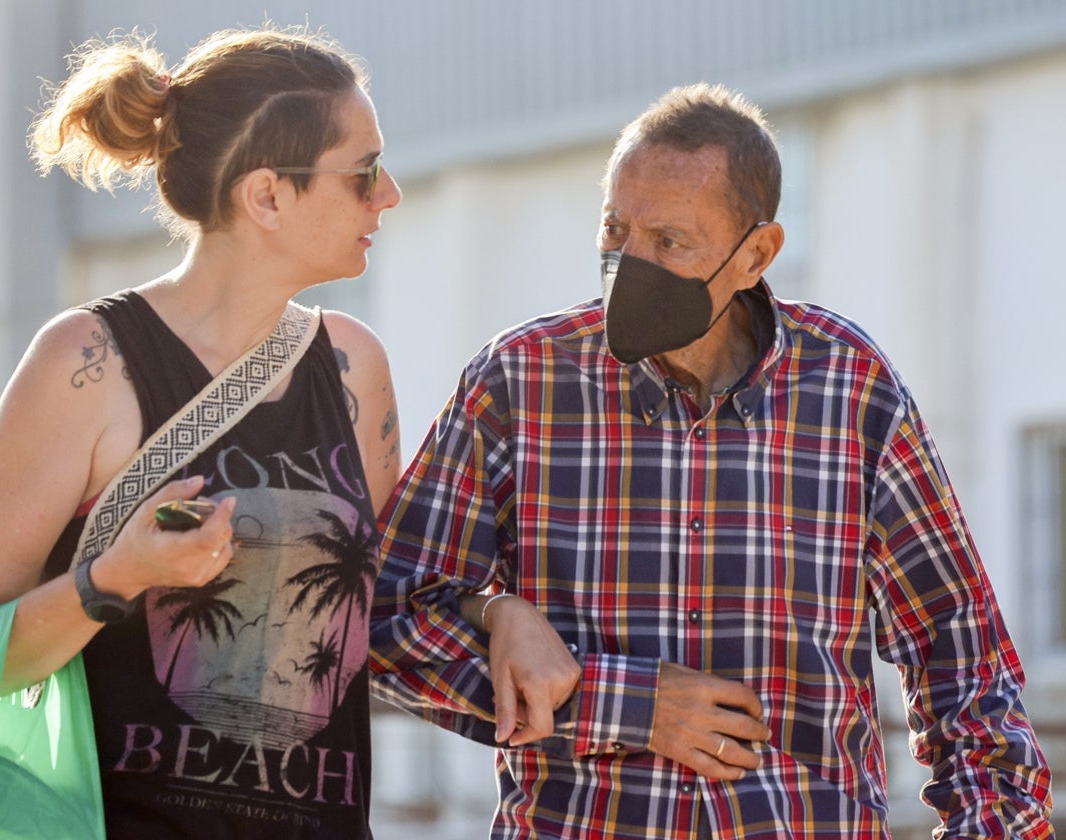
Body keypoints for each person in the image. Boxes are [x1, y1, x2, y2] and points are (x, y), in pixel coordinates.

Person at [369, 82, 1054, 838]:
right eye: (616, 228)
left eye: (669, 241)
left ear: (756, 254)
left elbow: (961, 651)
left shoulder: (851, 388)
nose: (629, 262)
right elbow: (388, 617)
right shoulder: (520, 381)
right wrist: (625, 705)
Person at [0, 25, 402, 838]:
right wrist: (111, 579)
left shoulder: (354, 365)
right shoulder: (86, 361)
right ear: (267, 196)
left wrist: (504, 617)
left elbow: (394, 607)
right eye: (362, 174)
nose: (387, 194)